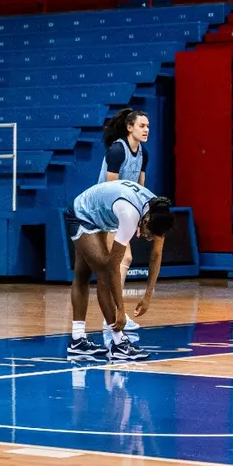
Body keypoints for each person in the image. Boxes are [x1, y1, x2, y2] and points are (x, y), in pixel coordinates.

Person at [64, 180, 176, 362]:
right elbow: (112, 268)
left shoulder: (159, 213)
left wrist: (148, 295)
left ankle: (77, 340)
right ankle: (118, 343)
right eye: (148, 233)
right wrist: (121, 310)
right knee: (104, 275)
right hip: (82, 215)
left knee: (83, 274)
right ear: (146, 220)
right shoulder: (130, 215)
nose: (147, 238)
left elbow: (156, 256)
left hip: (100, 216)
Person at [97, 107, 151, 335]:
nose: (146, 129)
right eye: (142, 125)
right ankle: (112, 315)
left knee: (121, 259)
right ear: (129, 127)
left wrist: (140, 218)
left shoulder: (143, 153)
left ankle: (112, 314)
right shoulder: (118, 150)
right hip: (105, 208)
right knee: (124, 257)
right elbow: (110, 189)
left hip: (124, 210)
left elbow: (139, 189)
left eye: (148, 126)